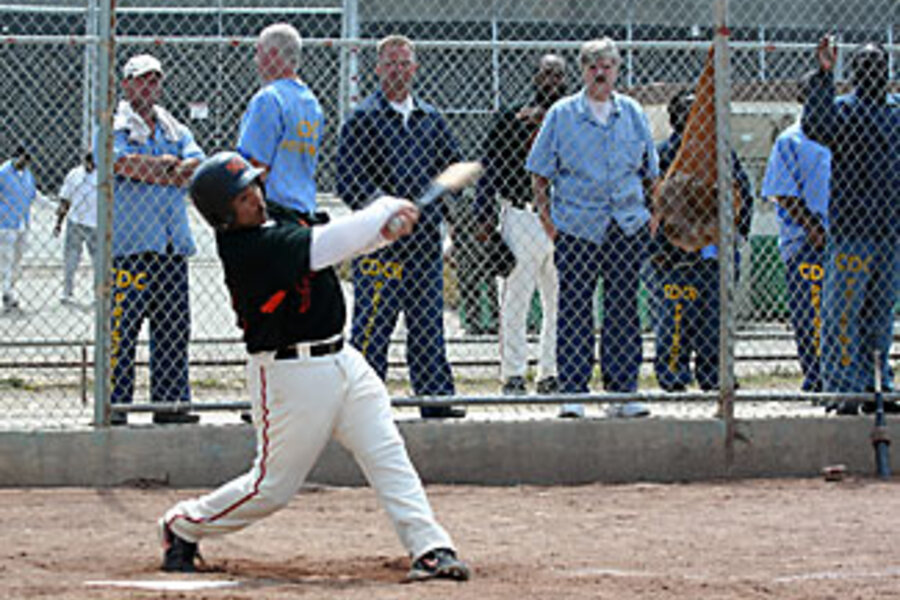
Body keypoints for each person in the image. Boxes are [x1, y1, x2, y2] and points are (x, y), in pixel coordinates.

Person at [159, 151, 471, 583]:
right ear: (224, 216)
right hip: (291, 375)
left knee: (386, 453)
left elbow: (339, 241)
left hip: (344, 359)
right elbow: (325, 245)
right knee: (272, 487)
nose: (256, 198)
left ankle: (430, 547)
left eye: (254, 187)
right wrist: (384, 210)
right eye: (242, 197)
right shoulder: (248, 251)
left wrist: (383, 232)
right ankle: (183, 525)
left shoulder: (277, 217)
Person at [526, 38, 659, 419]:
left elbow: (650, 172)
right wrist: (548, 220)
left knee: (622, 308)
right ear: (583, 71)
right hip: (578, 227)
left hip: (625, 225)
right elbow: (539, 173)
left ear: (617, 70)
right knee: (575, 308)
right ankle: (573, 391)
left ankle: (622, 391)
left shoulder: (632, 113)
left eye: (607, 65)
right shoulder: (562, 114)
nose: (600, 73)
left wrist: (654, 215)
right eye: (592, 66)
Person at [336, 35, 465, 419]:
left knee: (428, 327)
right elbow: (348, 180)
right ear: (378, 69)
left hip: (424, 247)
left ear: (415, 68)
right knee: (372, 330)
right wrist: (385, 213)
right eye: (390, 63)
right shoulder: (363, 118)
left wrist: (452, 211)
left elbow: (452, 170)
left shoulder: (431, 119)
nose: (398, 69)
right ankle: (361, 407)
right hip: (380, 246)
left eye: (404, 62)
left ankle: (436, 400)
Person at [801, 37, 898, 414]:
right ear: (854, 73)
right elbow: (815, 126)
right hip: (853, 230)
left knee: (880, 315)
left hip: (889, 232)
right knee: (843, 313)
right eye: (865, 66)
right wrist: (824, 76)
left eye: (879, 65)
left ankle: (880, 388)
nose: (873, 72)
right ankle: (845, 390)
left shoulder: (895, 112)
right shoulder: (842, 111)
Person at [109, 53, 205, 425]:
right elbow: (119, 162)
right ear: (127, 84)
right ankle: (115, 405)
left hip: (171, 247)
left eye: (154, 81)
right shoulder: (115, 126)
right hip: (131, 249)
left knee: (173, 328)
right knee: (122, 330)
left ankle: (170, 405)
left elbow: (196, 165)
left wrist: (157, 168)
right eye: (141, 80)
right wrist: (170, 167)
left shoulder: (172, 127)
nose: (148, 88)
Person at [649, 89, 754, 393]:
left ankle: (713, 376)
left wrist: (736, 235)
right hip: (675, 254)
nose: (691, 116)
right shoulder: (663, 155)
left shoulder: (720, 152)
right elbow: (651, 203)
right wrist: (658, 249)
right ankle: (673, 376)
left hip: (714, 253)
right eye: (683, 110)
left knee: (715, 320)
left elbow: (741, 193)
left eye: (696, 110)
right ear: (672, 118)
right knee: (675, 319)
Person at [475, 54, 568, 396]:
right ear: (534, 78)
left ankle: (550, 373)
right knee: (516, 298)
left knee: (559, 300)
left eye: (558, 74)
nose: (552, 81)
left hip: (564, 216)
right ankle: (513, 373)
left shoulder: (573, 117)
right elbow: (489, 166)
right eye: (546, 74)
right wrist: (483, 216)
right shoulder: (511, 117)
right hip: (521, 215)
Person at [760, 75, 830, 394]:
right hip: (807, 242)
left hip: (843, 238)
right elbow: (783, 193)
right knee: (810, 312)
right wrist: (811, 227)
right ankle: (817, 377)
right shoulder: (791, 139)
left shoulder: (841, 135)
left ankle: (846, 376)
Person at [238, 22, 322, 214]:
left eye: (259, 52)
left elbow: (255, 166)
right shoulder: (311, 103)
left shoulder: (269, 98)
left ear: (272, 54)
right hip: (304, 208)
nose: (256, 60)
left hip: (272, 210)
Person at [54, 150, 98, 304]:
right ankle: (67, 291)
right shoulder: (75, 174)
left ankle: (97, 294)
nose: (89, 165)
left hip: (96, 224)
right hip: (76, 222)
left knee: (98, 262)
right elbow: (65, 199)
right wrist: (59, 223)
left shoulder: (103, 175)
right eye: (87, 161)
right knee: (71, 259)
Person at [0, 146, 36, 312]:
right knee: (6, 259)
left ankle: (10, 289)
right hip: (5, 224)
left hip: (22, 223)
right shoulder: (3, 173)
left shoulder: (27, 175)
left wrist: (54, 207)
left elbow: (34, 195)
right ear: (16, 157)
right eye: (23, 159)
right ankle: (7, 294)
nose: (25, 162)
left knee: (17, 259)